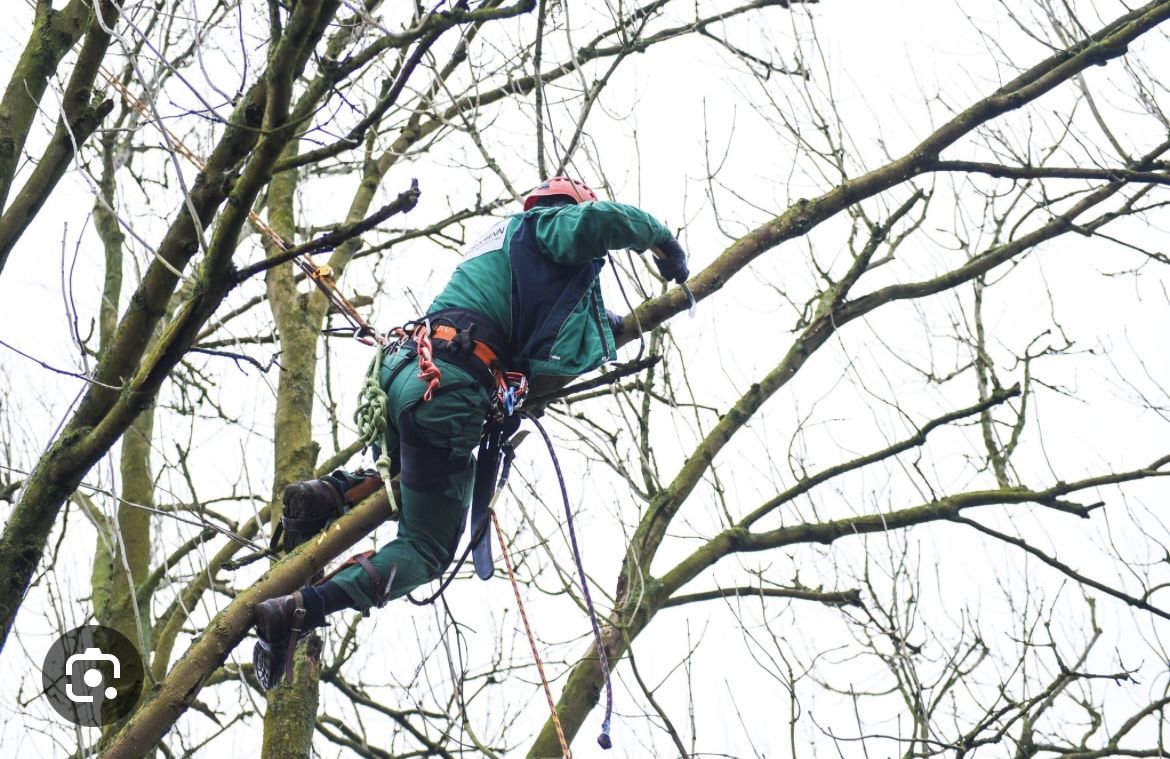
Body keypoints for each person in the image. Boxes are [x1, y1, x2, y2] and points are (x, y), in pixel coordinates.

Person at [251, 177, 689, 689]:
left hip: (406, 371)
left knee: (404, 479)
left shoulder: (506, 247)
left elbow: (571, 332)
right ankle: (301, 610)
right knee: (427, 548)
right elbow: (604, 223)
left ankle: (325, 495)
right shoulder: (548, 227)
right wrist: (663, 241)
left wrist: (622, 325)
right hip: (448, 387)